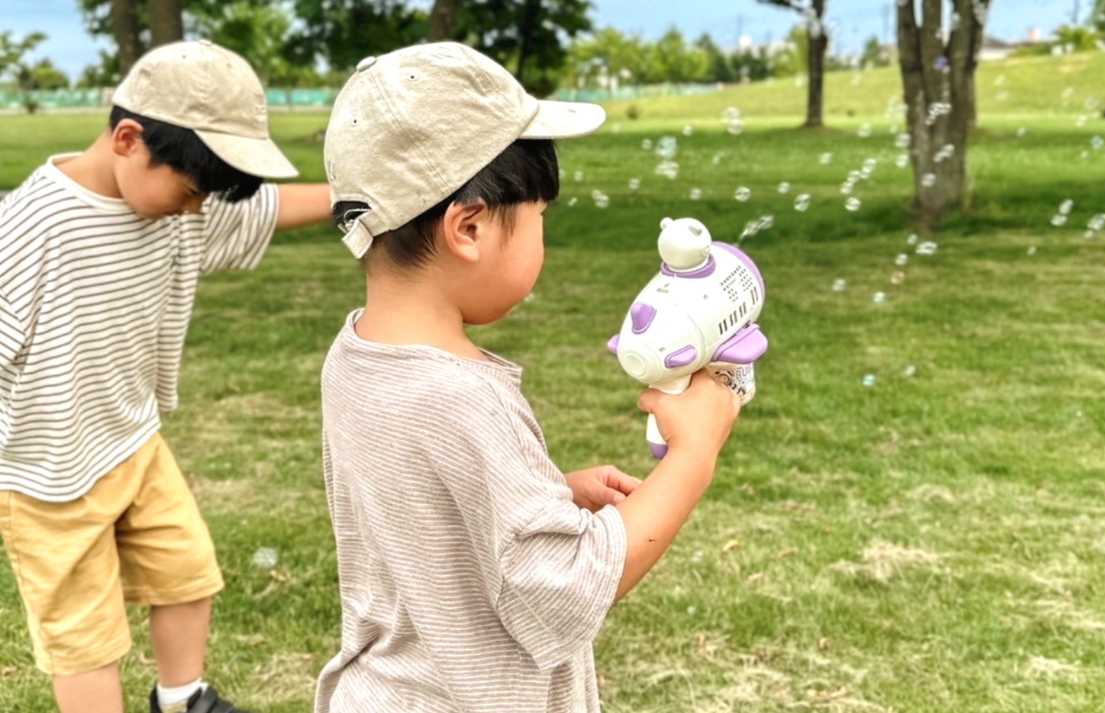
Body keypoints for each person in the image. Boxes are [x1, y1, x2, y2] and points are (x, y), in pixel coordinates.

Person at [315, 42, 741, 713]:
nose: (543, 235)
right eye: (540, 216)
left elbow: (417, 508)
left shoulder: (355, 355)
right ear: (471, 226)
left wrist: (542, 495)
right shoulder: (465, 395)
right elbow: (566, 587)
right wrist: (694, 455)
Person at [0, 40, 330, 713]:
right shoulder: (34, 228)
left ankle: (182, 699)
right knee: (86, 634)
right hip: (47, 474)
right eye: (190, 191)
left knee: (187, 571)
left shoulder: (171, 205)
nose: (195, 211)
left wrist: (360, 197)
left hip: (133, 439)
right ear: (128, 139)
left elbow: (264, 211)